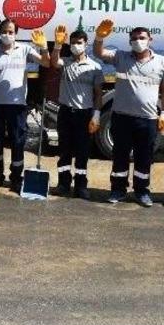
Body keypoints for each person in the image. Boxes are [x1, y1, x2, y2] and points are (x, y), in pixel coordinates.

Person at [94, 21, 164, 207]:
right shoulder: (121, 57)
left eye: (142, 38)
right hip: (122, 118)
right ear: (130, 42)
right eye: (134, 39)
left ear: (150, 40)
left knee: (144, 158)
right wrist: (99, 38)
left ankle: (142, 192)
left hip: (147, 120)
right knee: (120, 155)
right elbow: (99, 53)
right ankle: (118, 190)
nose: (138, 41)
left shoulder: (161, 61)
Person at [0, 19, 50, 193]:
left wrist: (44, 47)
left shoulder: (25, 49)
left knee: (18, 142)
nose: (7, 34)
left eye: (11, 32)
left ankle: (17, 178)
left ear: (16, 34)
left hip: (17, 105)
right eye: (4, 31)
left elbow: (46, 63)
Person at [48, 26, 103, 200]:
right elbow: (54, 62)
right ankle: (63, 184)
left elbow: (98, 93)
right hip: (65, 112)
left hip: (84, 114)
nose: (75, 46)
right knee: (64, 150)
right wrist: (57, 45)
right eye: (72, 43)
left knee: (82, 151)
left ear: (86, 44)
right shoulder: (66, 62)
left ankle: (81, 186)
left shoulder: (95, 67)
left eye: (79, 43)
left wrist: (96, 115)